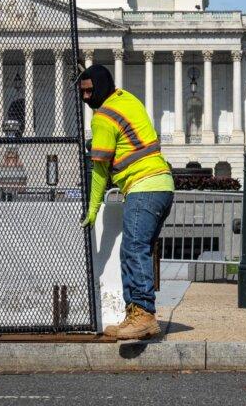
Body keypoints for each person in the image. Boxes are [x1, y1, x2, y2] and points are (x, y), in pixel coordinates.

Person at [78, 64, 174, 340]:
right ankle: (134, 314)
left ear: (99, 87)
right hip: (163, 186)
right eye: (81, 92)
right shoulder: (127, 99)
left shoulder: (103, 118)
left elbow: (99, 171)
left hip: (143, 187)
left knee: (134, 249)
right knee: (133, 250)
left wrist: (93, 209)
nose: (85, 98)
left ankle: (143, 313)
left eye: (88, 91)